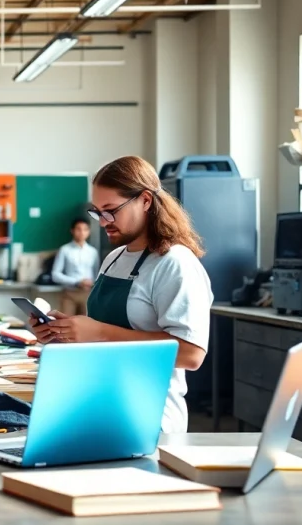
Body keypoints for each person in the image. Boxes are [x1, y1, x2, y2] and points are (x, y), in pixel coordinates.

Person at [30, 156, 212, 434]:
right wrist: (67, 332)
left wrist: (98, 332)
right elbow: (106, 333)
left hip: (150, 419)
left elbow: (191, 353)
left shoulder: (175, 263)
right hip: (101, 404)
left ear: (146, 201)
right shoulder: (114, 258)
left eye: (111, 210)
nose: (103, 222)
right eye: (97, 212)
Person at [51, 217, 102, 315]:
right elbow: (55, 275)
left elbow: (97, 274)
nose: (82, 232)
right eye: (78, 229)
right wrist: (77, 282)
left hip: (88, 294)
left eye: (85, 229)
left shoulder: (93, 252)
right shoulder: (64, 250)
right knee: (65, 324)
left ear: (89, 232)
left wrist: (92, 283)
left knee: (86, 325)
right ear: (72, 231)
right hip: (70, 293)